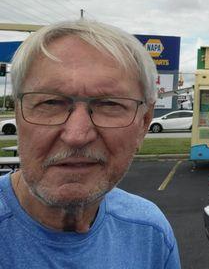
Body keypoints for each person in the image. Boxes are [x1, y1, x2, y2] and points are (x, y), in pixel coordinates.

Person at [0, 20, 181, 268]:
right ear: (18, 115)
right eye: (50, 103)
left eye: (110, 104)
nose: (77, 135)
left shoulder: (149, 232)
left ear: (144, 123)